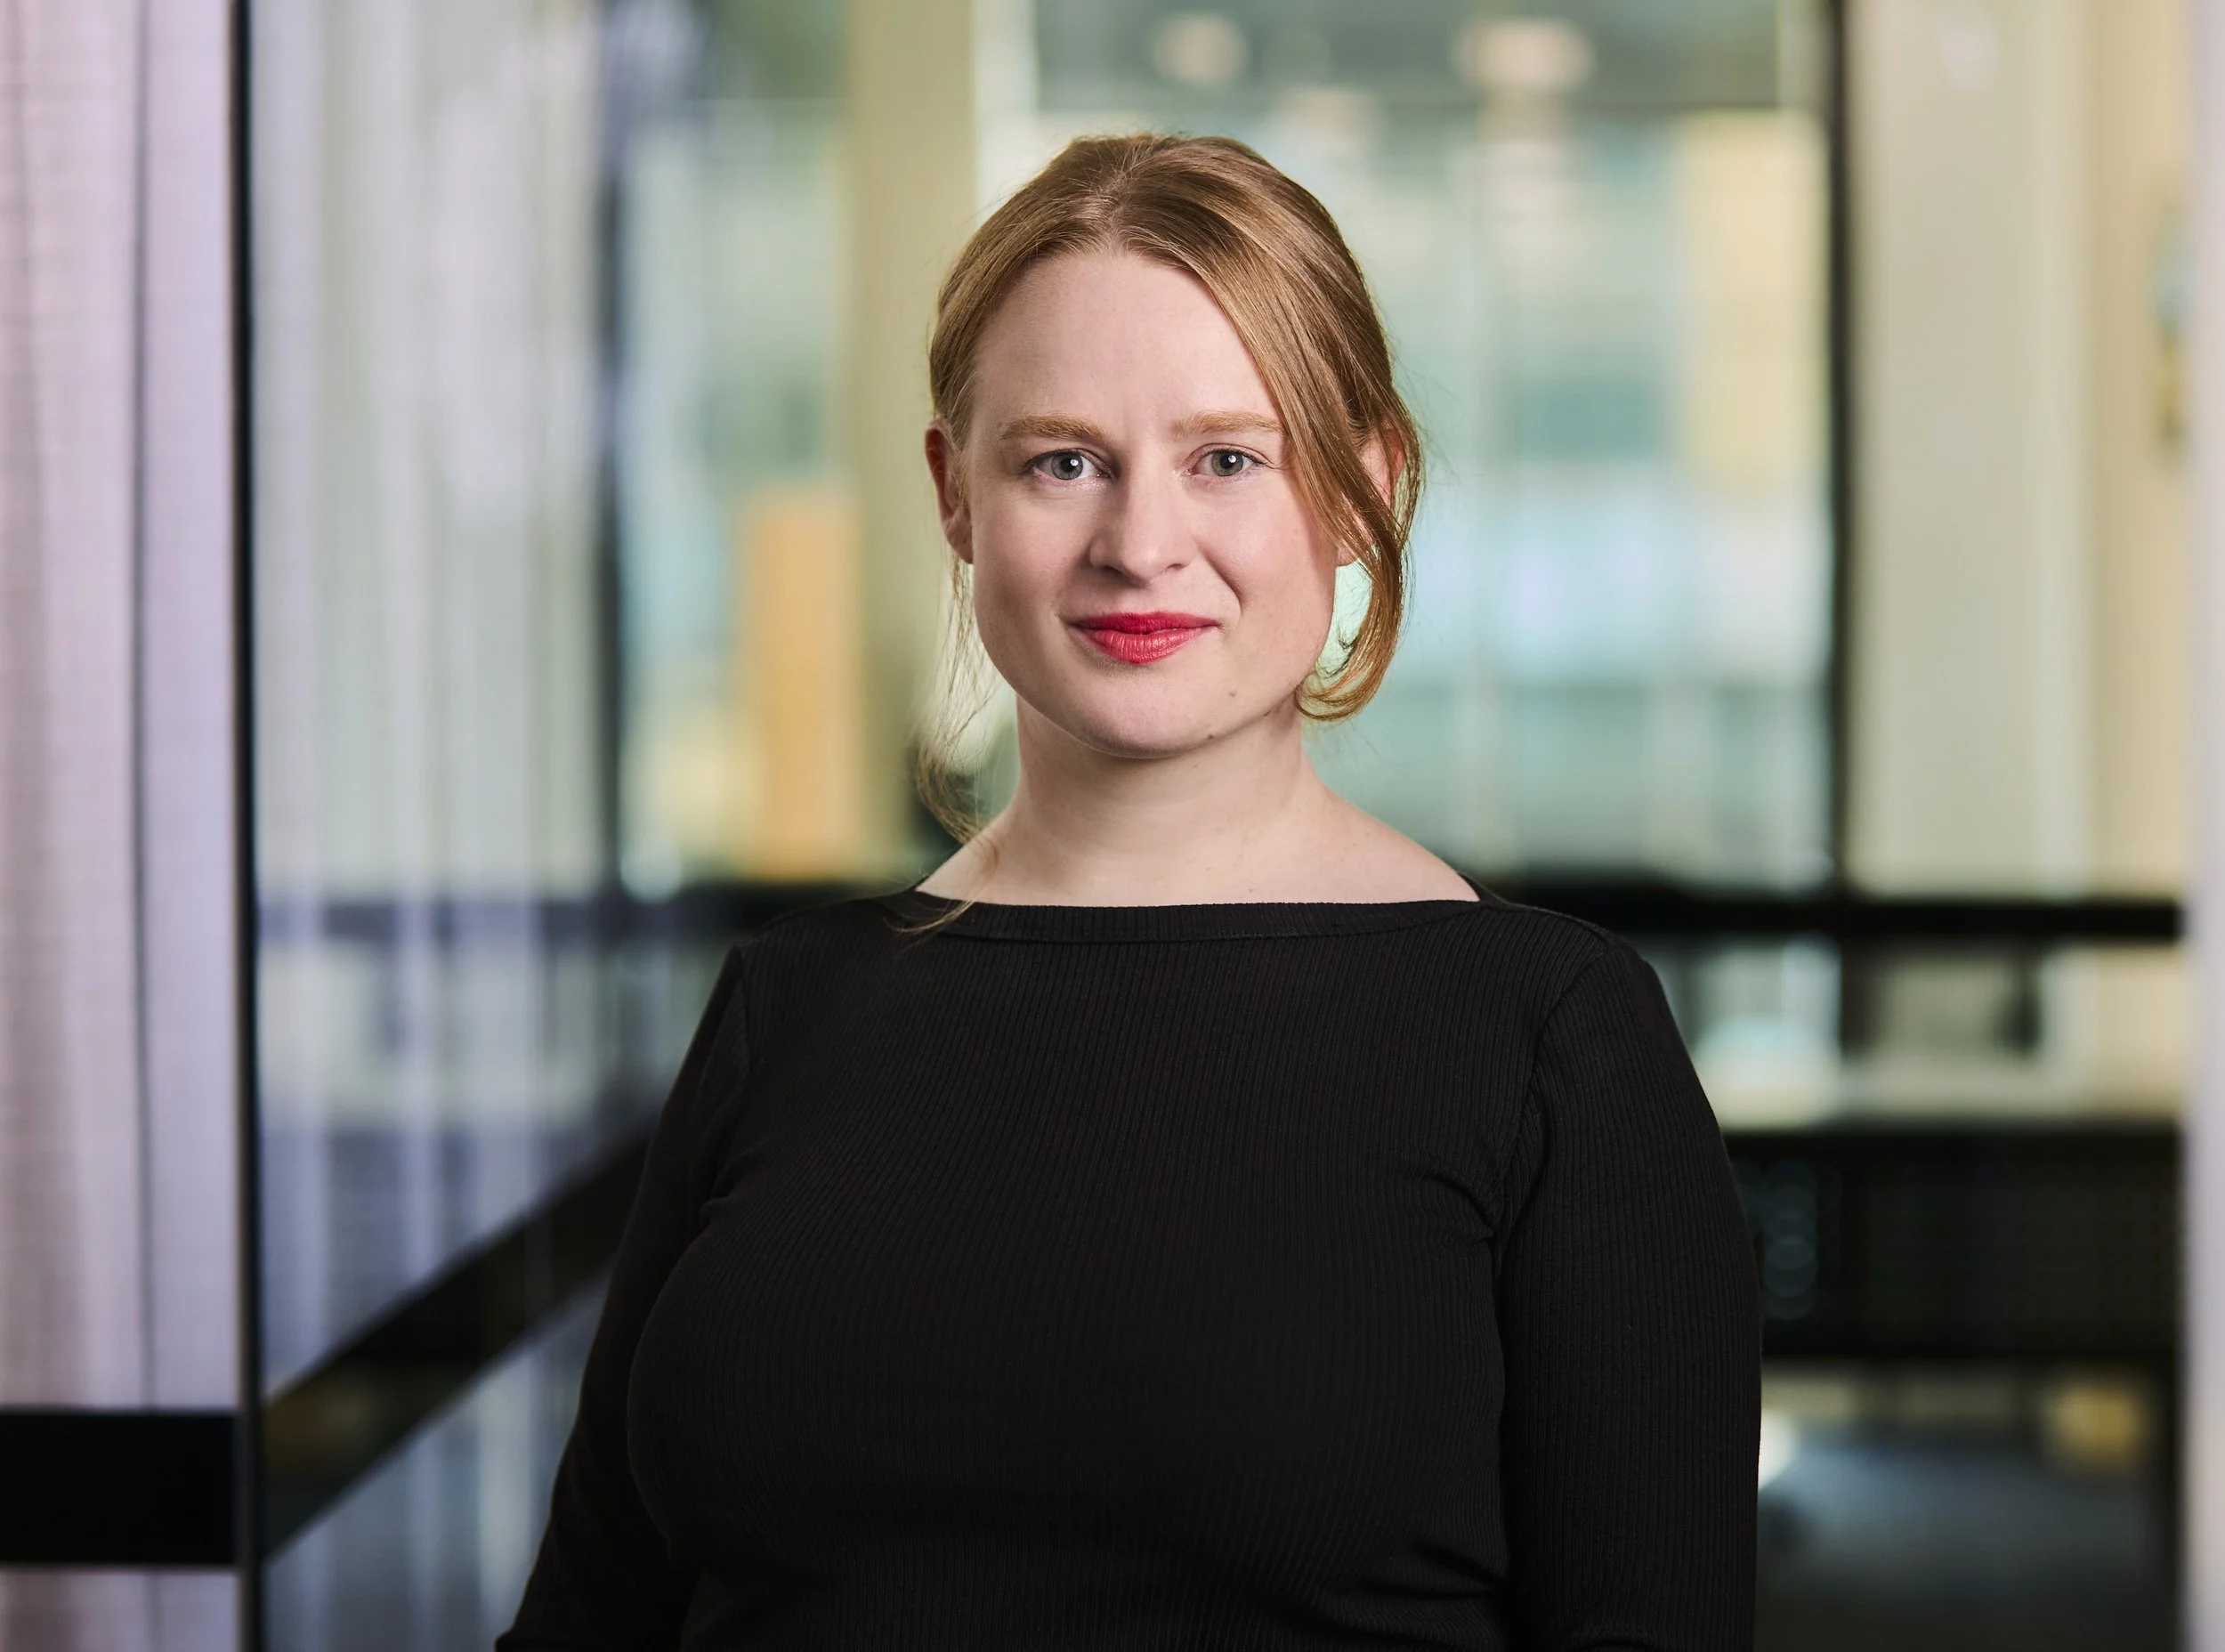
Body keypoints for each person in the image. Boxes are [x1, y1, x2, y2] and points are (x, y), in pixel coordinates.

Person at [502, 134, 1759, 1651]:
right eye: (1063, 461)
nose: (1140, 546)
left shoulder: (1548, 1040)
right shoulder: (790, 1009)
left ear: (1362, 488)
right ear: (955, 495)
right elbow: (588, 1625)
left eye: (1227, 459)